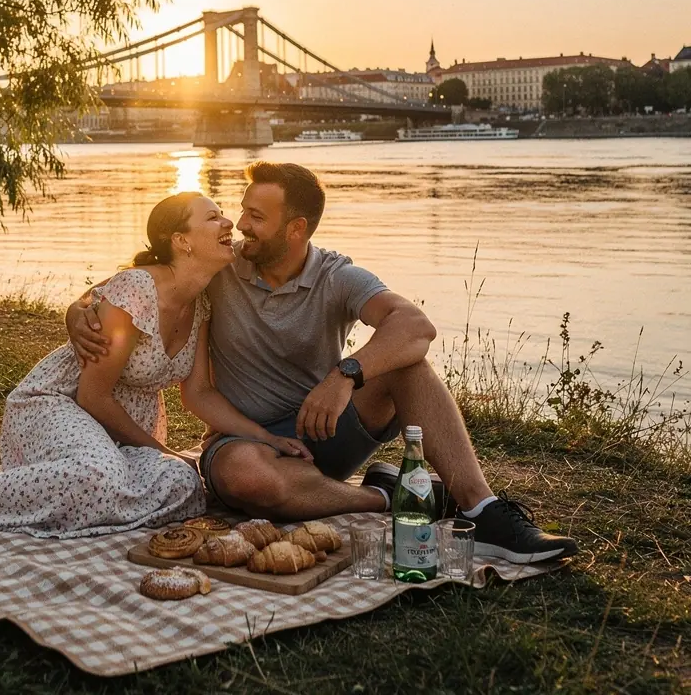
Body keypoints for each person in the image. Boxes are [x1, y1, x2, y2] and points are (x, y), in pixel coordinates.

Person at [68, 161, 578, 564]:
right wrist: (78, 311)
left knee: (409, 366)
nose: (240, 225)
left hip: (325, 428)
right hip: (245, 442)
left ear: (296, 229)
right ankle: (395, 498)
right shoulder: (221, 265)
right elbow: (128, 288)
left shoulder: (337, 276)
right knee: (249, 480)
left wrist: (345, 374)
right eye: (241, 211)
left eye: (256, 218)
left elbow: (416, 327)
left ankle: (483, 511)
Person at [0, 191, 310, 535]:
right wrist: (159, 449)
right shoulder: (135, 290)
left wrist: (265, 437)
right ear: (181, 241)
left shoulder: (201, 304)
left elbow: (199, 393)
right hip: (63, 406)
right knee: (99, 477)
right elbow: (93, 394)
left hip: (122, 426)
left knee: (185, 485)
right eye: (212, 218)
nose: (228, 223)